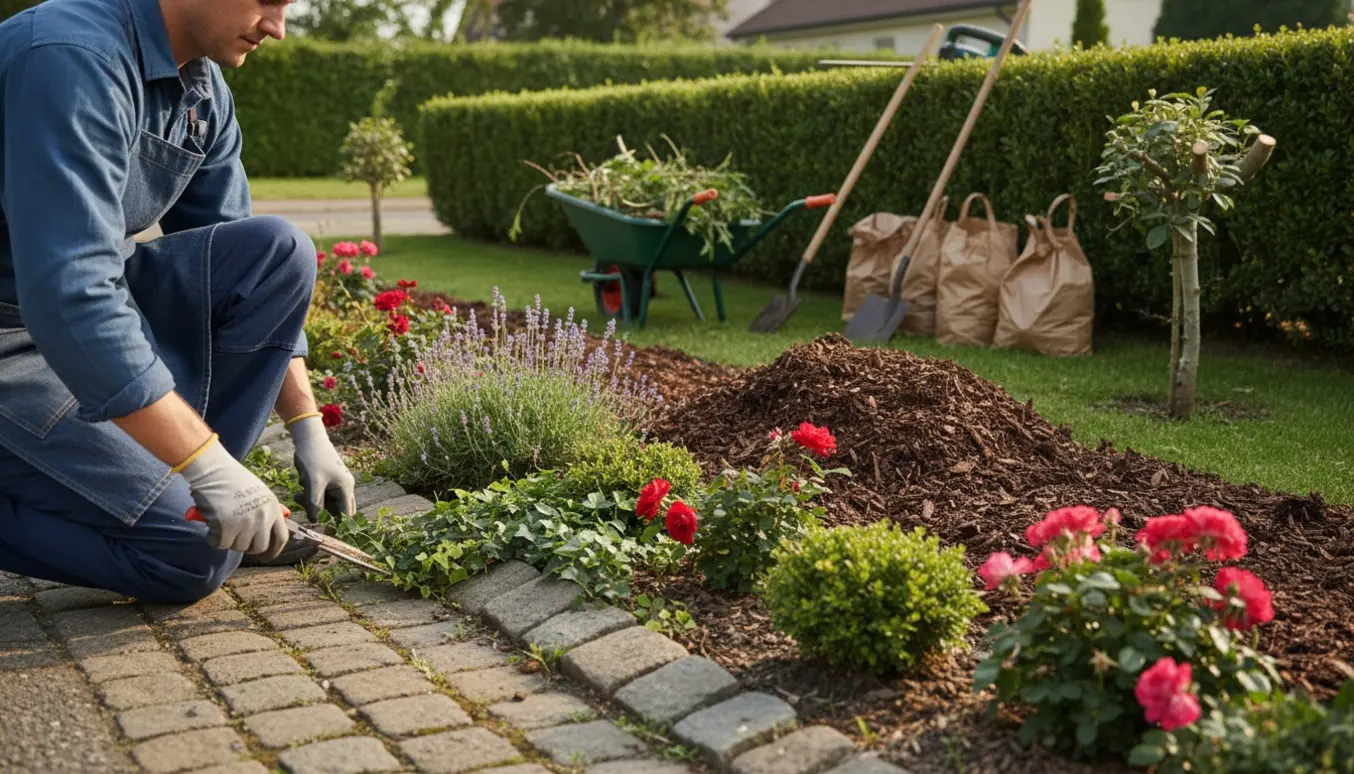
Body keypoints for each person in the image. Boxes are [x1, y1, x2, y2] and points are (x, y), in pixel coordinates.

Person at [0, 0, 359, 605]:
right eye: (266, 1)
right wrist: (206, 463)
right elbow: (71, 292)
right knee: (192, 552)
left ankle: (197, 496)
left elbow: (248, 265)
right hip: (13, 341)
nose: (278, 27)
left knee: (277, 250)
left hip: (76, 323)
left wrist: (307, 427)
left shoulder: (200, 86)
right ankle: (189, 507)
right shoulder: (68, 58)